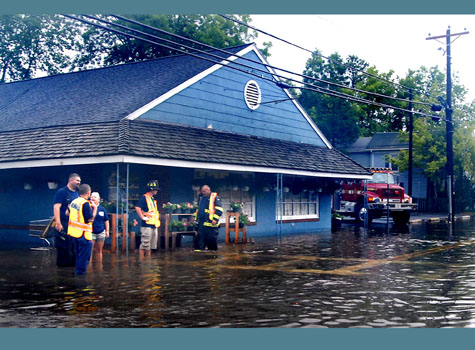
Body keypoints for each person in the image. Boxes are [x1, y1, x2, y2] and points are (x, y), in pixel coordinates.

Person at [67, 184, 97, 276]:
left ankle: (77, 273)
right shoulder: (85, 204)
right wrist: (95, 208)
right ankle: (80, 276)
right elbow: (90, 219)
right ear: (88, 192)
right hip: (84, 235)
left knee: (78, 255)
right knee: (85, 257)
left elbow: (67, 213)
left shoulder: (74, 202)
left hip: (74, 233)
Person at [53, 173, 81, 267]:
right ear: (71, 180)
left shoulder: (77, 194)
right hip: (63, 223)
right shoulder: (62, 192)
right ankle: (61, 270)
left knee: (72, 247)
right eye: (77, 180)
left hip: (74, 224)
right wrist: (58, 223)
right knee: (63, 247)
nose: (79, 183)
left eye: (79, 181)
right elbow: (56, 207)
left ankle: (71, 268)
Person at [193, 185, 223, 251]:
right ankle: (199, 253)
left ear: (208, 190)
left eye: (204, 191)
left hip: (211, 223)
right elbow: (198, 209)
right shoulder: (201, 198)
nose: (203, 193)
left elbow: (219, 209)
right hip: (201, 222)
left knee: (211, 239)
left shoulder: (214, 197)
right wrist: (195, 218)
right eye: (202, 191)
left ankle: (212, 253)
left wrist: (215, 219)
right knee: (200, 237)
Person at [135, 180, 160, 258]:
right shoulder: (144, 198)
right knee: (144, 245)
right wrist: (142, 217)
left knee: (151, 246)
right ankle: (142, 261)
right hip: (147, 225)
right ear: (152, 189)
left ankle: (148, 262)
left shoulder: (152, 199)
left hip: (153, 224)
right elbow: (137, 207)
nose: (157, 191)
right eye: (156, 189)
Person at [90, 192, 109, 264]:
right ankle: (89, 267)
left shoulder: (102, 209)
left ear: (99, 199)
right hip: (91, 232)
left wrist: (107, 231)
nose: (93, 198)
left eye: (95, 197)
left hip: (101, 232)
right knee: (90, 250)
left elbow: (106, 221)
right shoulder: (88, 207)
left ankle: (99, 266)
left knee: (99, 250)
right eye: (91, 197)